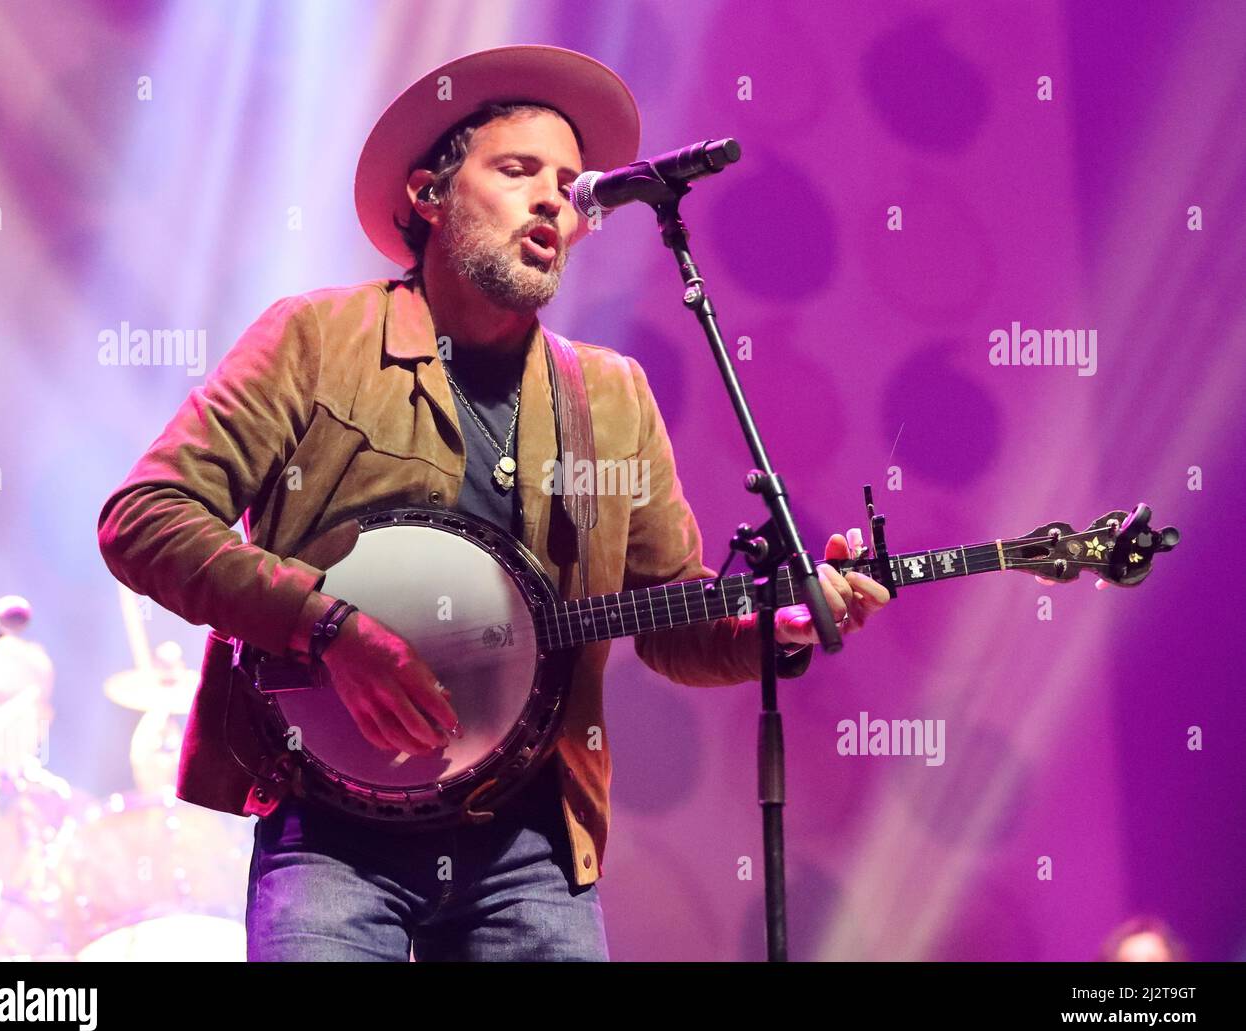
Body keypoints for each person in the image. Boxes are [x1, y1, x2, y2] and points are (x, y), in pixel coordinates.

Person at [96, 45, 890, 962]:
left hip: (531, 845)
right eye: (517, 172)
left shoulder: (614, 396)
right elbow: (146, 516)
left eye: (570, 183)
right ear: (430, 194)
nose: (556, 199)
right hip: (329, 834)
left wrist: (774, 626)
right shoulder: (314, 338)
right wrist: (327, 627)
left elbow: (675, 615)